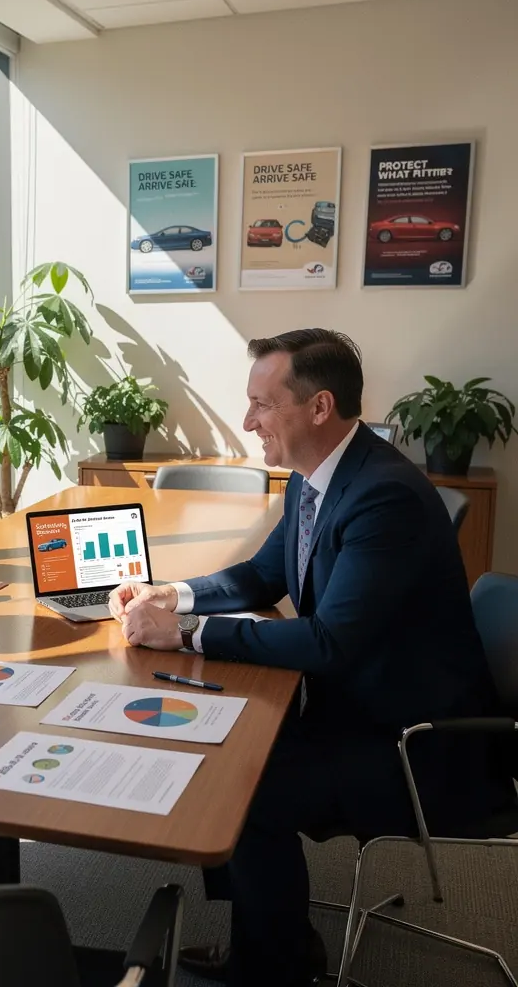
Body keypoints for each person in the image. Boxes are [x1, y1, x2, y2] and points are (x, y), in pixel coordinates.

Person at [109, 329, 511, 987]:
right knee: (221, 749)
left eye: (263, 405)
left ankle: (278, 967)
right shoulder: (318, 475)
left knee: (239, 791)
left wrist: (184, 635)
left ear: (319, 408)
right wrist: (172, 594)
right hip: (359, 706)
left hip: (415, 743)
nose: (247, 421)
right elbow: (260, 577)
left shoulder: (384, 496)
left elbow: (329, 642)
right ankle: (266, 935)